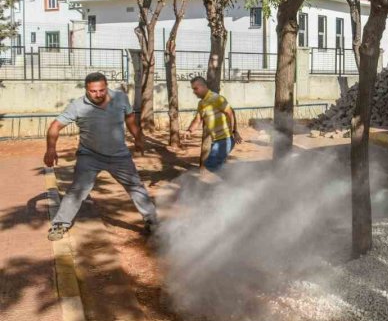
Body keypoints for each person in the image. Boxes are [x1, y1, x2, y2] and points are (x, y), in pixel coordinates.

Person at [44, 72, 158, 241]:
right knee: (77, 190)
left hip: (119, 156)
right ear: (86, 89)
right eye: (93, 91)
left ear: (106, 86)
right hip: (89, 156)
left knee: (136, 187)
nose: (98, 94)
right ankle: (60, 224)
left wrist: (138, 138)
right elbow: (55, 126)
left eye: (101, 90)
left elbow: (130, 119)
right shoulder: (77, 106)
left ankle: (153, 222)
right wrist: (50, 149)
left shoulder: (120, 98)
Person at [184, 76, 241, 171]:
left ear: (203, 86)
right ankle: (232, 183)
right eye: (193, 89)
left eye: (195, 88)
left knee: (210, 165)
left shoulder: (217, 98)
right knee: (218, 167)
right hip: (215, 141)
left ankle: (233, 183)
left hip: (225, 140)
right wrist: (189, 131)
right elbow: (197, 120)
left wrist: (235, 131)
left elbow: (231, 113)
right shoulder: (201, 103)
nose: (194, 92)